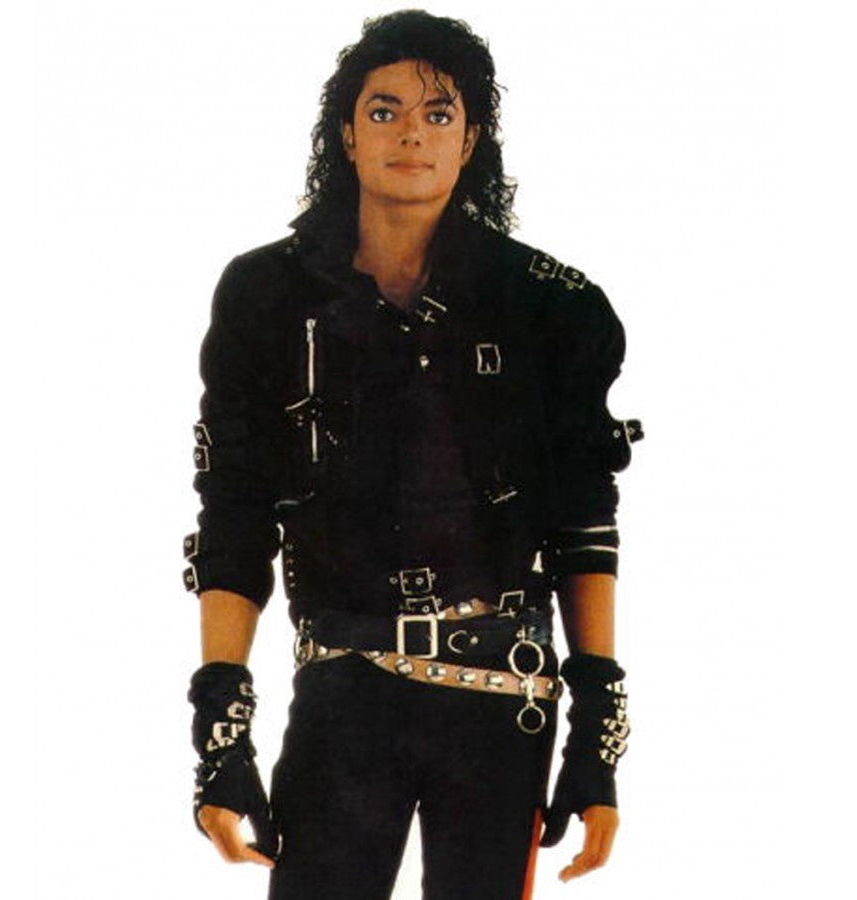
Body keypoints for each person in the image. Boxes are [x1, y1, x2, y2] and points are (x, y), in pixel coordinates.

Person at [183, 10, 641, 899]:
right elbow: (233, 512)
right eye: (384, 110)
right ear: (346, 132)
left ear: (471, 139)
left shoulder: (553, 306)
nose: (411, 134)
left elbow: (585, 520)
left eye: (438, 114)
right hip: (343, 695)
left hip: (501, 700)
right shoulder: (267, 295)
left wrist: (598, 729)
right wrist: (222, 730)